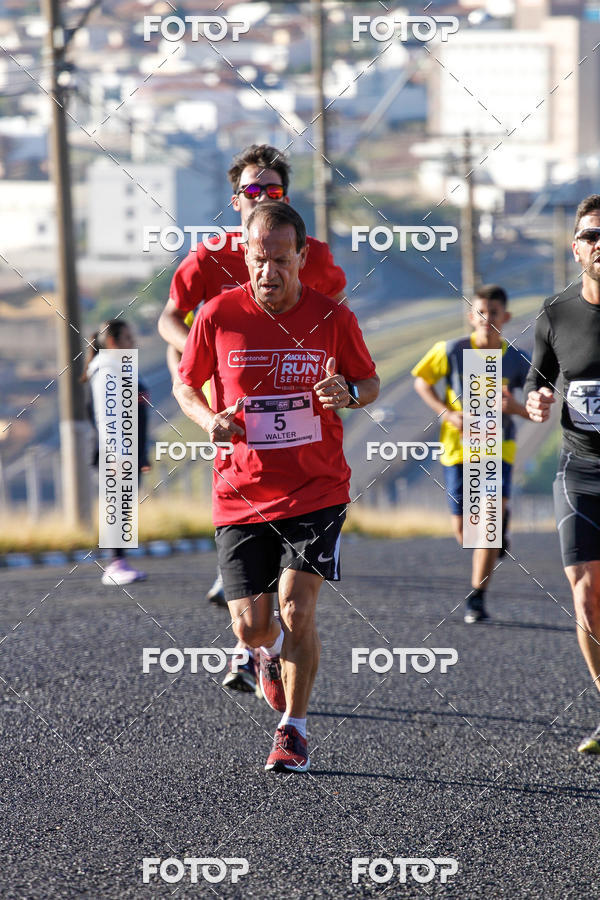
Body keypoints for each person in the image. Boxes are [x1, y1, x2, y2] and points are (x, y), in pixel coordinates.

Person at [174, 202, 379, 772]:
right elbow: (186, 385)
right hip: (240, 493)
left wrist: (350, 395)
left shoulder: (332, 317)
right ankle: (263, 657)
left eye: (281, 261)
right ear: (246, 254)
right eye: (259, 259)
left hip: (317, 489)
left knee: (296, 608)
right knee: (253, 625)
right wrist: (208, 419)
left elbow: (370, 381)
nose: (269, 272)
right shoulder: (217, 315)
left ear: (301, 257)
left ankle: (294, 729)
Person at [158, 143, 347, 695]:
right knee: (249, 590)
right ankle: (253, 641)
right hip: (229, 418)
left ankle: (268, 651)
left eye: (273, 190)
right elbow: (170, 318)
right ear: (234, 199)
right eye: (251, 190)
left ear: (286, 198)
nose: (260, 197)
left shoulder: (312, 254)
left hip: (296, 414)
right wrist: (195, 345)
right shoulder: (209, 255)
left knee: (290, 600)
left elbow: (327, 315)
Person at [525, 194, 600, 753]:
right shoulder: (556, 312)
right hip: (579, 470)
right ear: (576, 248)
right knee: (586, 595)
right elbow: (536, 380)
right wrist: (535, 400)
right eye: (591, 236)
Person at [412, 285, 530, 623]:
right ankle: (496, 531)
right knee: (466, 533)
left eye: (493, 313)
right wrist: (446, 412)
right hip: (457, 451)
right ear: (471, 315)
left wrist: (516, 407)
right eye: (480, 311)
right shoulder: (451, 351)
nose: (486, 318)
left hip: (496, 450)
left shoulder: (517, 359)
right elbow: (421, 380)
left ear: (505, 317)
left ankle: (477, 598)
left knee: (486, 526)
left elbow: (539, 407)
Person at [82, 319, 151, 586]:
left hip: (129, 451)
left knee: (124, 506)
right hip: (118, 452)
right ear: (112, 342)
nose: (132, 342)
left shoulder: (121, 368)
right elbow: (106, 414)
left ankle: (119, 562)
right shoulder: (107, 369)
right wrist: (117, 455)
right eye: (127, 338)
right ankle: (114, 565)